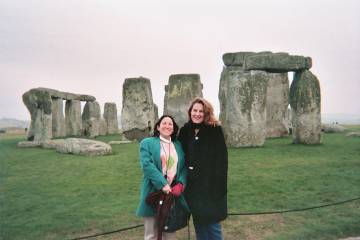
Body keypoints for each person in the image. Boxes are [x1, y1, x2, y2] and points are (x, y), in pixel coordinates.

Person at [178, 97, 228, 240]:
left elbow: (222, 161)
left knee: (213, 228)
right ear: (190, 112)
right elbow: (179, 156)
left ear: (206, 113)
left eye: (201, 111)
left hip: (210, 186)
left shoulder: (215, 130)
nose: (197, 114)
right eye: (195, 110)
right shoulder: (185, 131)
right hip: (192, 188)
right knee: (199, 227)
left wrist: (219, 188)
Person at [136, 115, 188, 240]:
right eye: (164, 123)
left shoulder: (178, 145)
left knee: (169, 232)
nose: (167, 126)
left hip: (171, 194)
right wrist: (163, 184)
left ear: (173, 128)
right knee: (151, 234)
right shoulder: (147, 143)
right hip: (153, 192)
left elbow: (183, 167)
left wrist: (180, 184)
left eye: (170, 124)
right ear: (158, 127)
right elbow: (147, 165)